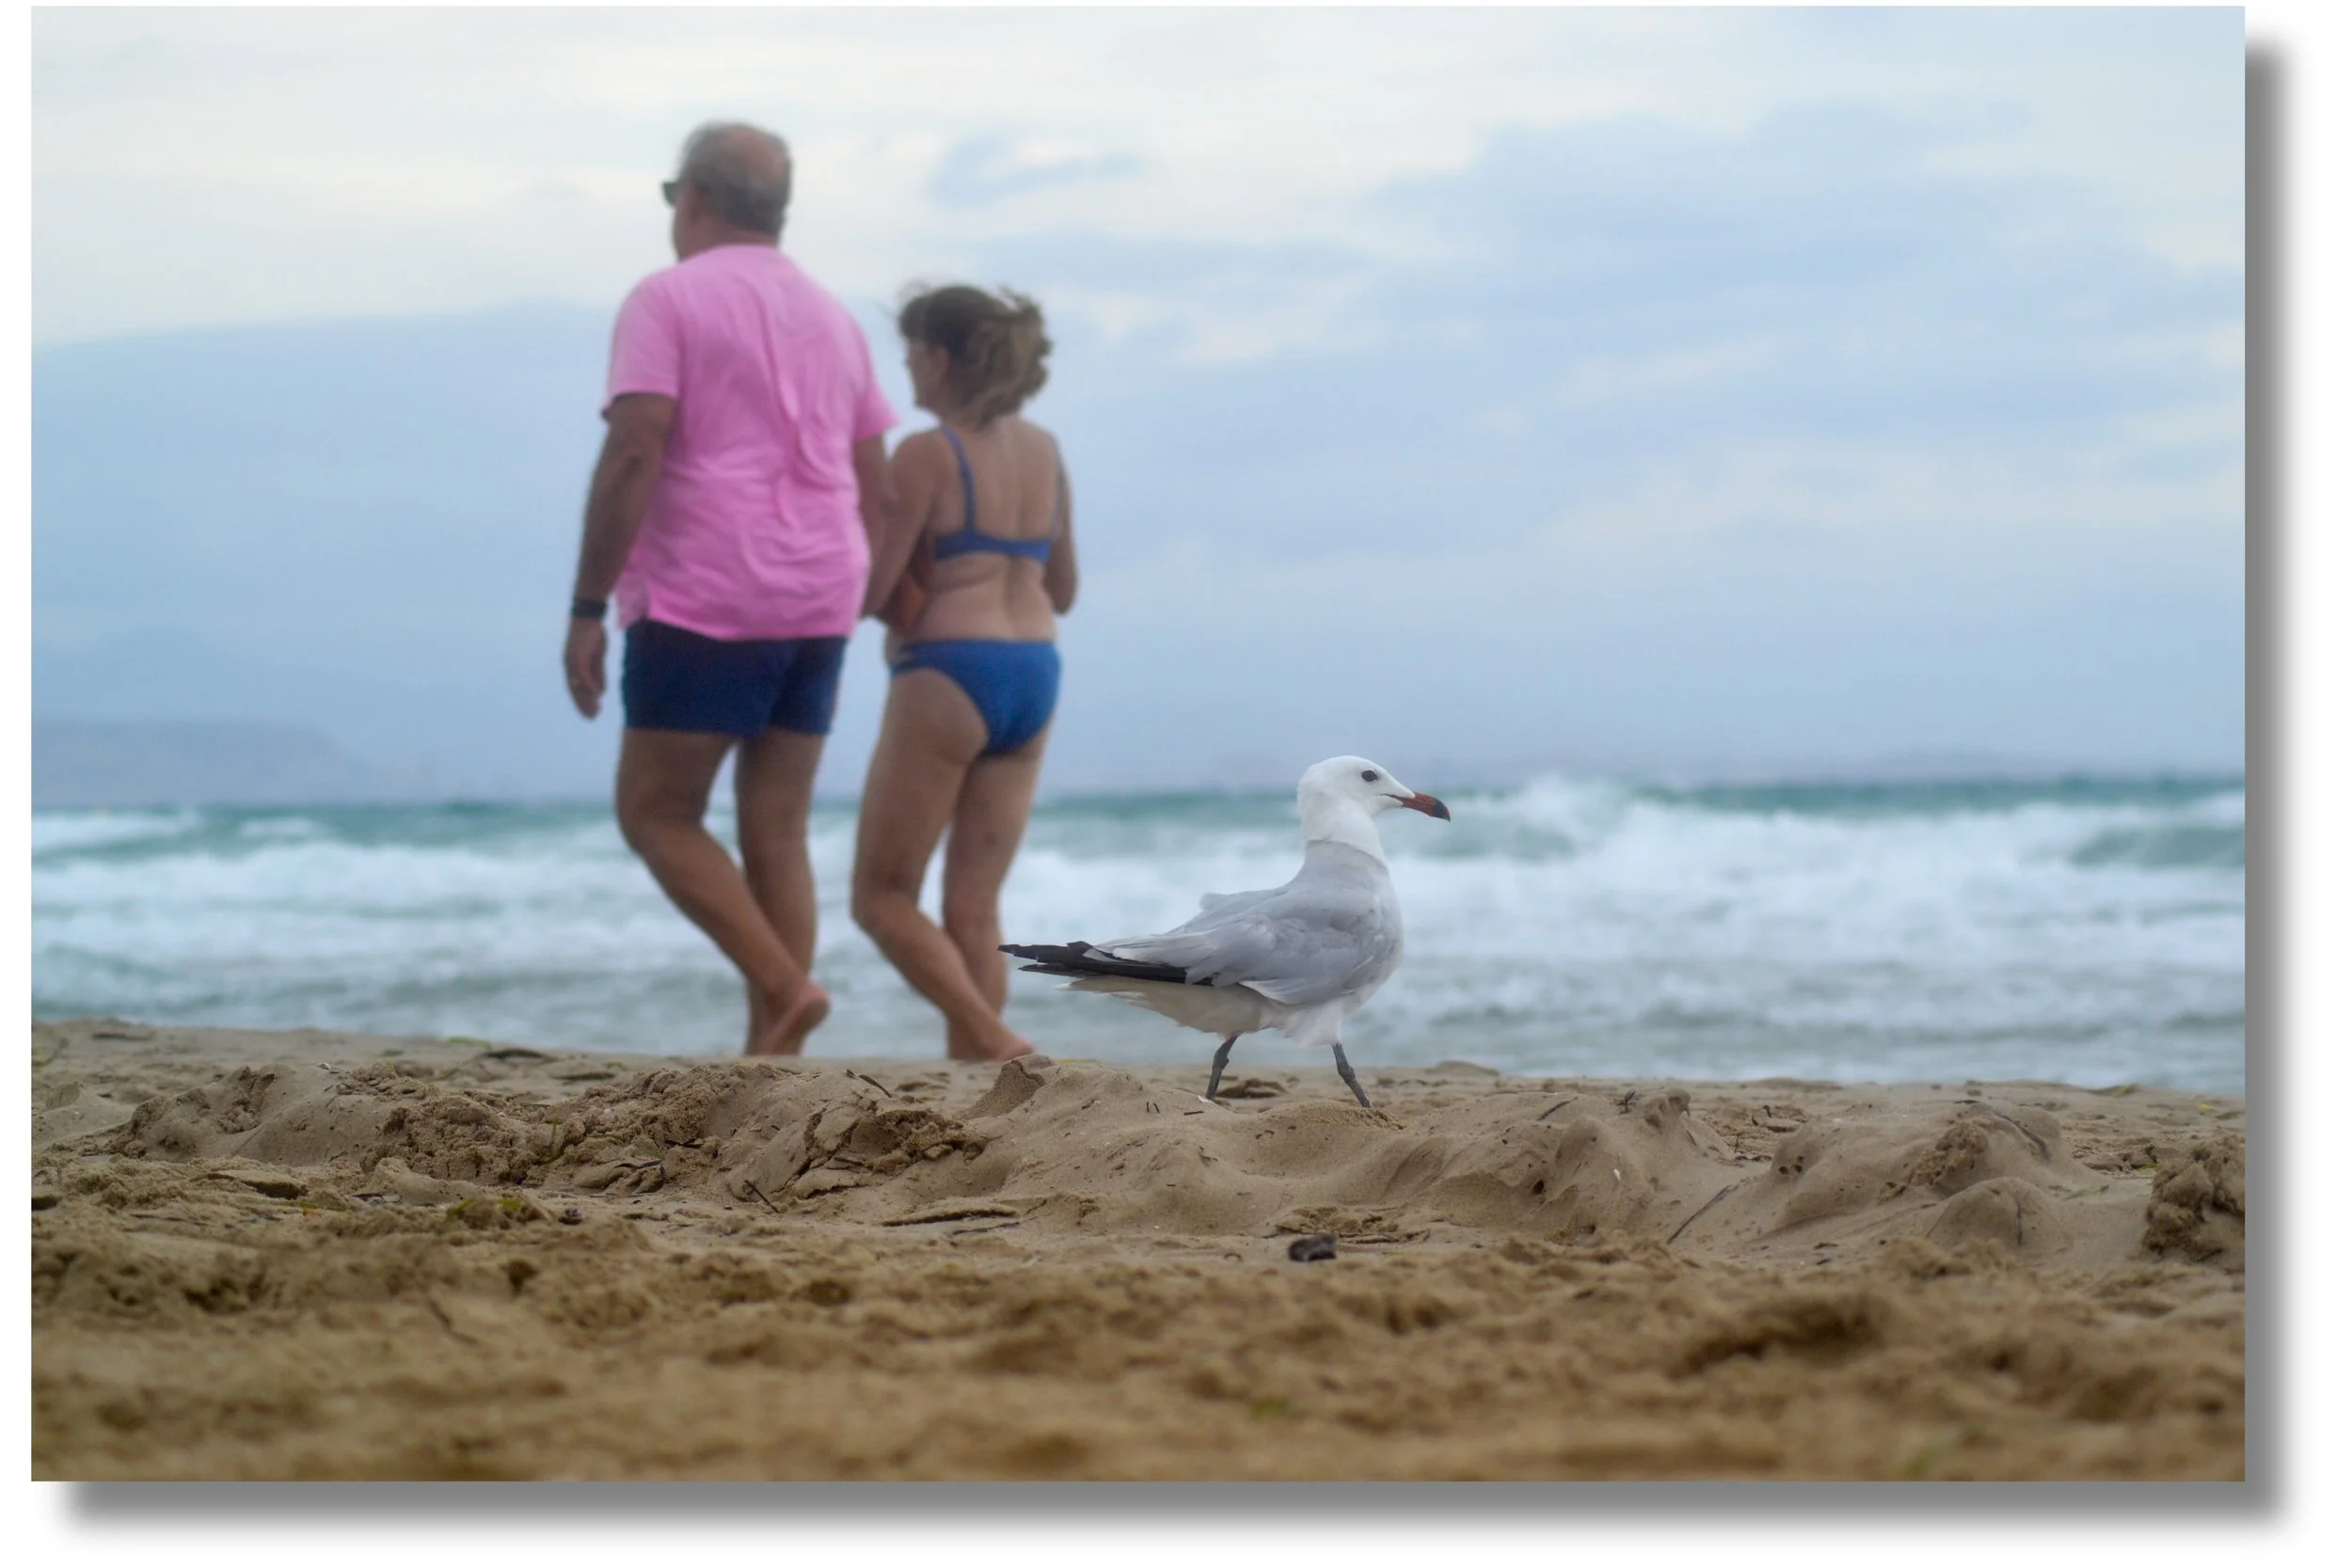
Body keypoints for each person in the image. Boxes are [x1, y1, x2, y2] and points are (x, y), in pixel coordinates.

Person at [563, 122, 897, 1057]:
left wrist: (588, 605)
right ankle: (775, 1057)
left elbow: (635, 451)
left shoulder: (665, 300)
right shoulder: (835, 316)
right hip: (821, 588)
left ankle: (787, 989)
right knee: (776, 827)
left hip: (709, 589)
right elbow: (879, 485)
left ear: (694, 200)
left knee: (657, 811)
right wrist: (859, 590)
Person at [851, 286, 1076, 1062]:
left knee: (881, 897)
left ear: (940, 359)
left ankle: (991, 1037)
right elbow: (1066, 590)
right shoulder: (1046, 450)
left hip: (948, 670)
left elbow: (873, 591)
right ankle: (979, 1070)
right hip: (1035, 672)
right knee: (975, 908)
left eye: (911, 351)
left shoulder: (926, 453)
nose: (906, 369)